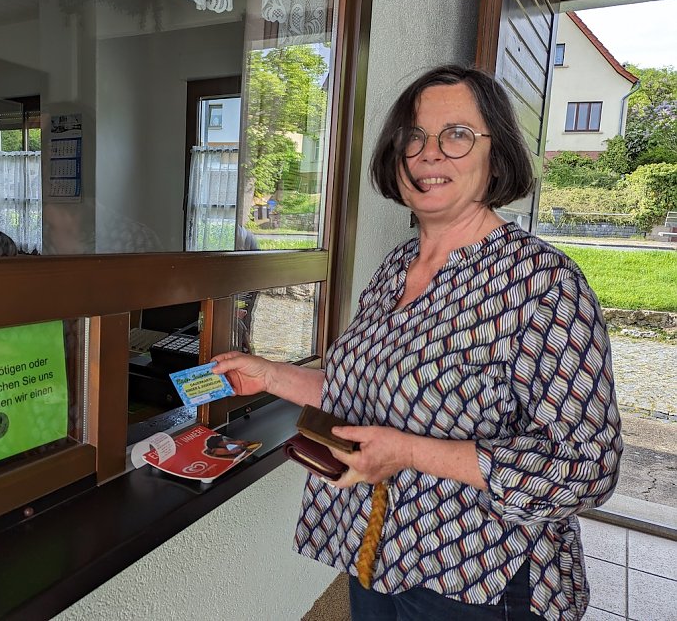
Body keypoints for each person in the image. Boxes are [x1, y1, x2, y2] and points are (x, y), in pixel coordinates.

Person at [212, 65, 622, 621]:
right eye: (414, 137)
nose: (429, 154)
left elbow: (587, 464)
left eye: (456, 135)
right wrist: (269, 375)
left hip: (478, 578)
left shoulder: (543, 284)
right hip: (378, 550)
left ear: (495, 155)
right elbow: (372, 390)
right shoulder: (396, 268)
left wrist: (408, 452)